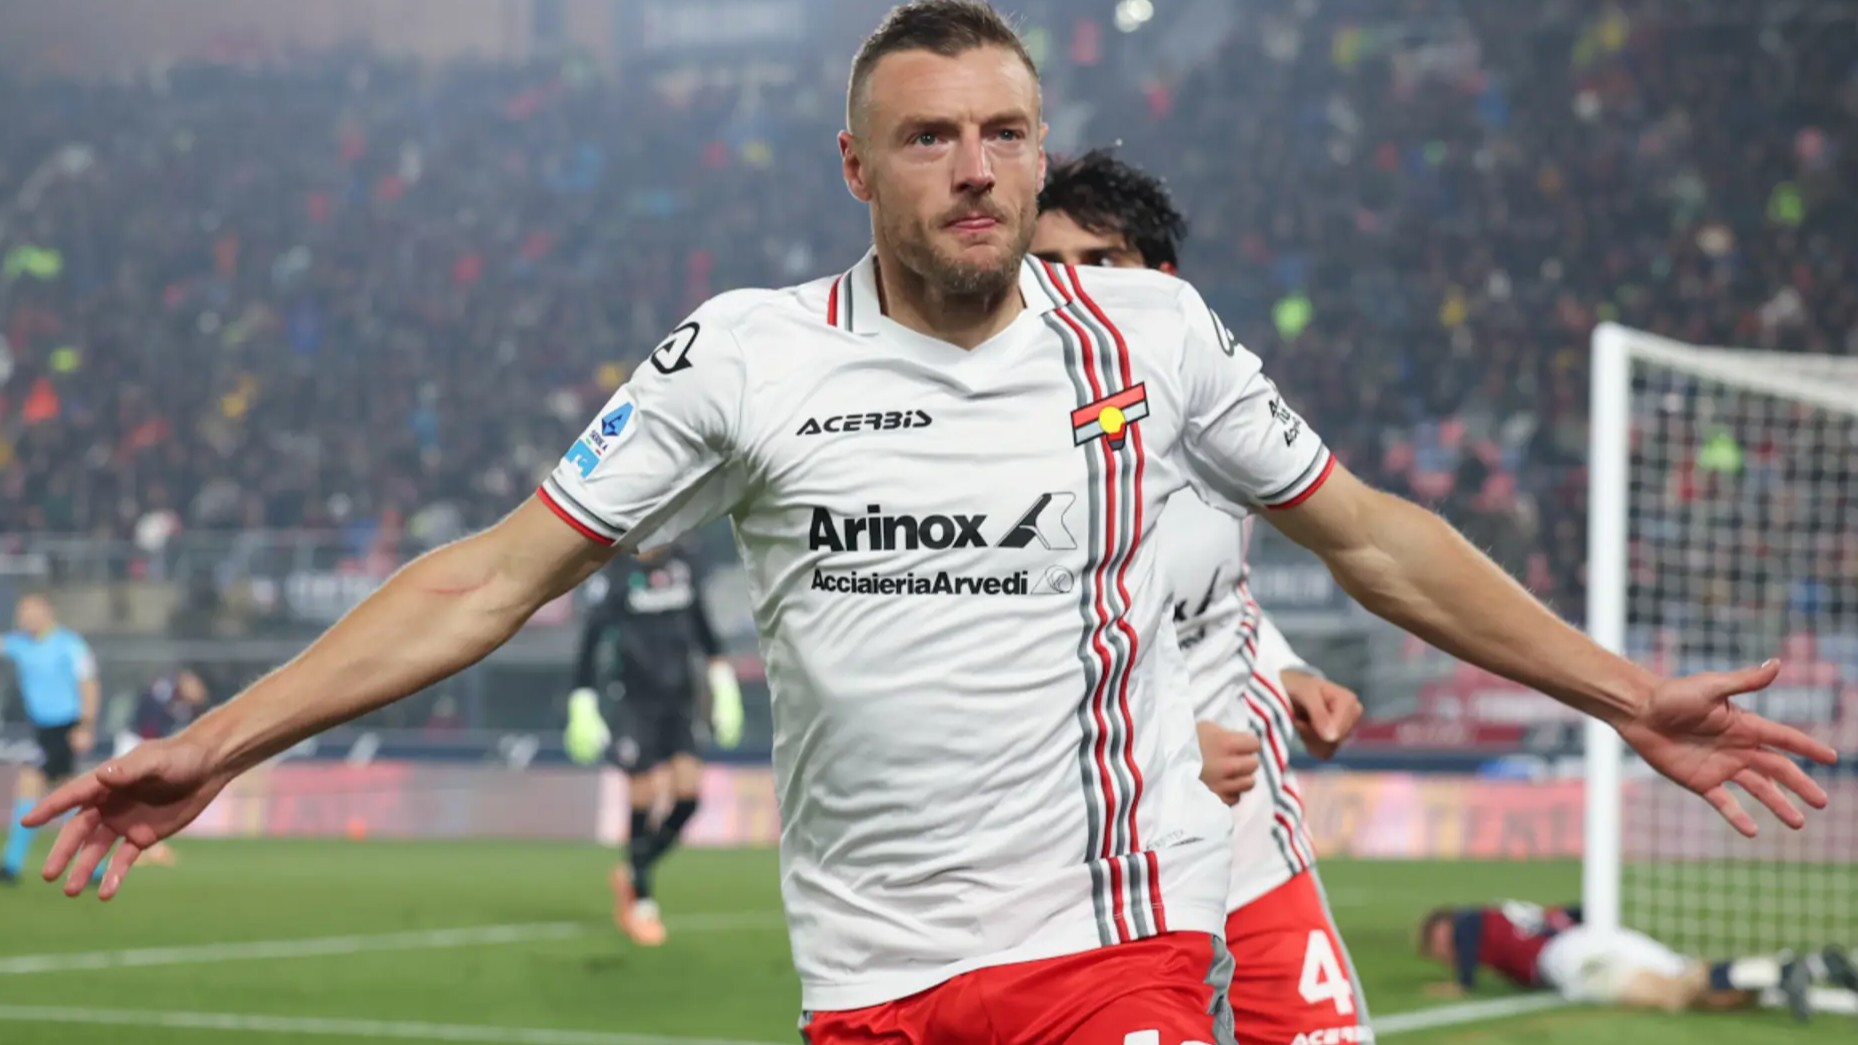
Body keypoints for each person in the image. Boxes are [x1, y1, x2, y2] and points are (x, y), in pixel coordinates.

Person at [26, 5, 1836, 1044]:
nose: (975, 165)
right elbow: (488, 579)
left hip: (1112, 948)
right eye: (928, 137)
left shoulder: (1149, 335)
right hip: (870, 981)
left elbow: (1372, 535)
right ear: (855, 166)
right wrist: (217, 741)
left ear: (1038, 151)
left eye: (1004, 131)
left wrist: (1624, 695)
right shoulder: (743, 357)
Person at [1034, 148, 1372, 1045]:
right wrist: (1169, 754)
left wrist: (1288, 670)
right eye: (1048, 265)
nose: (1074, 286)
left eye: (1100, 262)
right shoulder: (996, 449)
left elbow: (1221, 596)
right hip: (1097, 888)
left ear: (1163, 282)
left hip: (1250, 861)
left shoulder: (1221, 413)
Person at [563, 543, 741, 946]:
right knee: (644, 795)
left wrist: (723, 684)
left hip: (679, 703)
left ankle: (633, 869)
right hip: (633, 703)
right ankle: (641, 901)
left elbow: (704, 630)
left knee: (688, 797)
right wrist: (583, 700)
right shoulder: (615, 576)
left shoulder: (683, 566)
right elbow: (591, 641)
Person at [1418, 901, 1858, 1021]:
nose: (1443, 951)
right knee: (1707, 994)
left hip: (1575, 959)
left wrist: (1463, 981)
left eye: (1438, 942)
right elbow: (1578, 909)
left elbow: (1468, 925)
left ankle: (1784, 971)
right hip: (1602, 939)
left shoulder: (1475, 920)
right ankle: (1806, 967)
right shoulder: (1525, 917)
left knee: (1671, 993)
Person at [1, 595, 99, 885]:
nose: (25, 618)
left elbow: (89, 684)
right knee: (50, 792)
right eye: (22, 613)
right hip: (40, 729)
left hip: (65, 727)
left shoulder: (70, 645)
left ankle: (12, 864)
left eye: (31, 612)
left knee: (54, 792)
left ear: (47, 612)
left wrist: (85, 725)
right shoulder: (20, 644)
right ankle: (12, 864)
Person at [109, 667, 212, 868]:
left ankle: (145, 847)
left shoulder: (185, 705)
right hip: (134, 743)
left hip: (151, 747)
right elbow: (149, 725)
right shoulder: (163, 692)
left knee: (147, 800)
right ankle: (133, 847)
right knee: (129, 799)